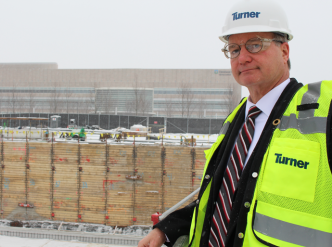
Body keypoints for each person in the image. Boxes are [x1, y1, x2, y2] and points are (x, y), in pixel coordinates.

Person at [138, 0, 332, 246]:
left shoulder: (323, 111)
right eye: (234, 49)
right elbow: (225, 199)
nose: (243, 58)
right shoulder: (236, 121)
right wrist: (166, 229)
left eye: (255, 44)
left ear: (284, 51)